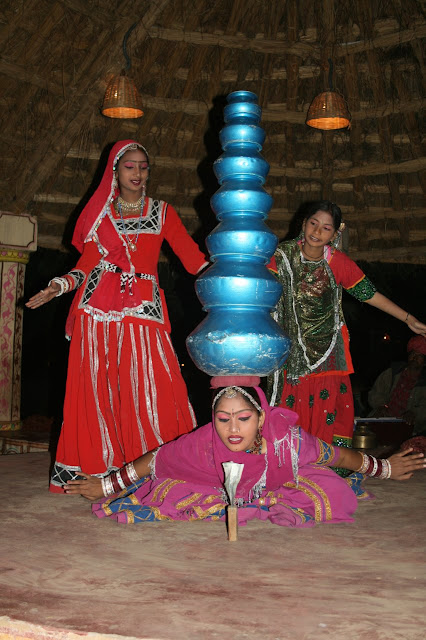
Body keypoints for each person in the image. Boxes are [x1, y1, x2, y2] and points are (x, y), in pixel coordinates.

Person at [26, 140, 208, 493]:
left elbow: (193, 260)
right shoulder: (101, 216)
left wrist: (230, 273)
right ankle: (99, 468)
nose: (138, 173)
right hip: (96, 311)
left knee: (155, 385)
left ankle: (161, 469)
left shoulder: (162, 212)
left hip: (144, 309)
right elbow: (84, 267)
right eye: (130, 166)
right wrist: (58, 286)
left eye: (143, 166)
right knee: (98, 390)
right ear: (115, 171)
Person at [65, 383, 425, 528]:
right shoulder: (201, 443)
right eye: (223, 419)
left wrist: (386, 468)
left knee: (330, 492)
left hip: (281, 481)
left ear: (262, 418)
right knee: (171, 494)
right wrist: (106, 485)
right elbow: (156, 461)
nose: (232, 430)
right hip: (209, 485)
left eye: (243, 419)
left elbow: (339, 458)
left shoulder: (288, 442)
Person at [266, 200, 426, 450]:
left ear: (334, 233)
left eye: (326, 228)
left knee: (327, 409)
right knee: (290, 407)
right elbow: (259, 293)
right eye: (313, 223)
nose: (317, 232)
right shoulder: (280, 257)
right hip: (292, 351)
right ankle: (288, 463)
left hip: (330, 350)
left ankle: (324, 466)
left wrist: (408, 319)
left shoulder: (337, 262)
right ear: (303, 223)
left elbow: (368, 294)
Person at [368, 335, 426, 434]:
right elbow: (374, 394)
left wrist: (414, 413)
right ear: (408, 356)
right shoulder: (392, 373)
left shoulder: (423, 383)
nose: (415, 358)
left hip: (409, 429)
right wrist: (381, 406)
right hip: (382, 421)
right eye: (413, 354)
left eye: (419, 355)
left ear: (425, 362)